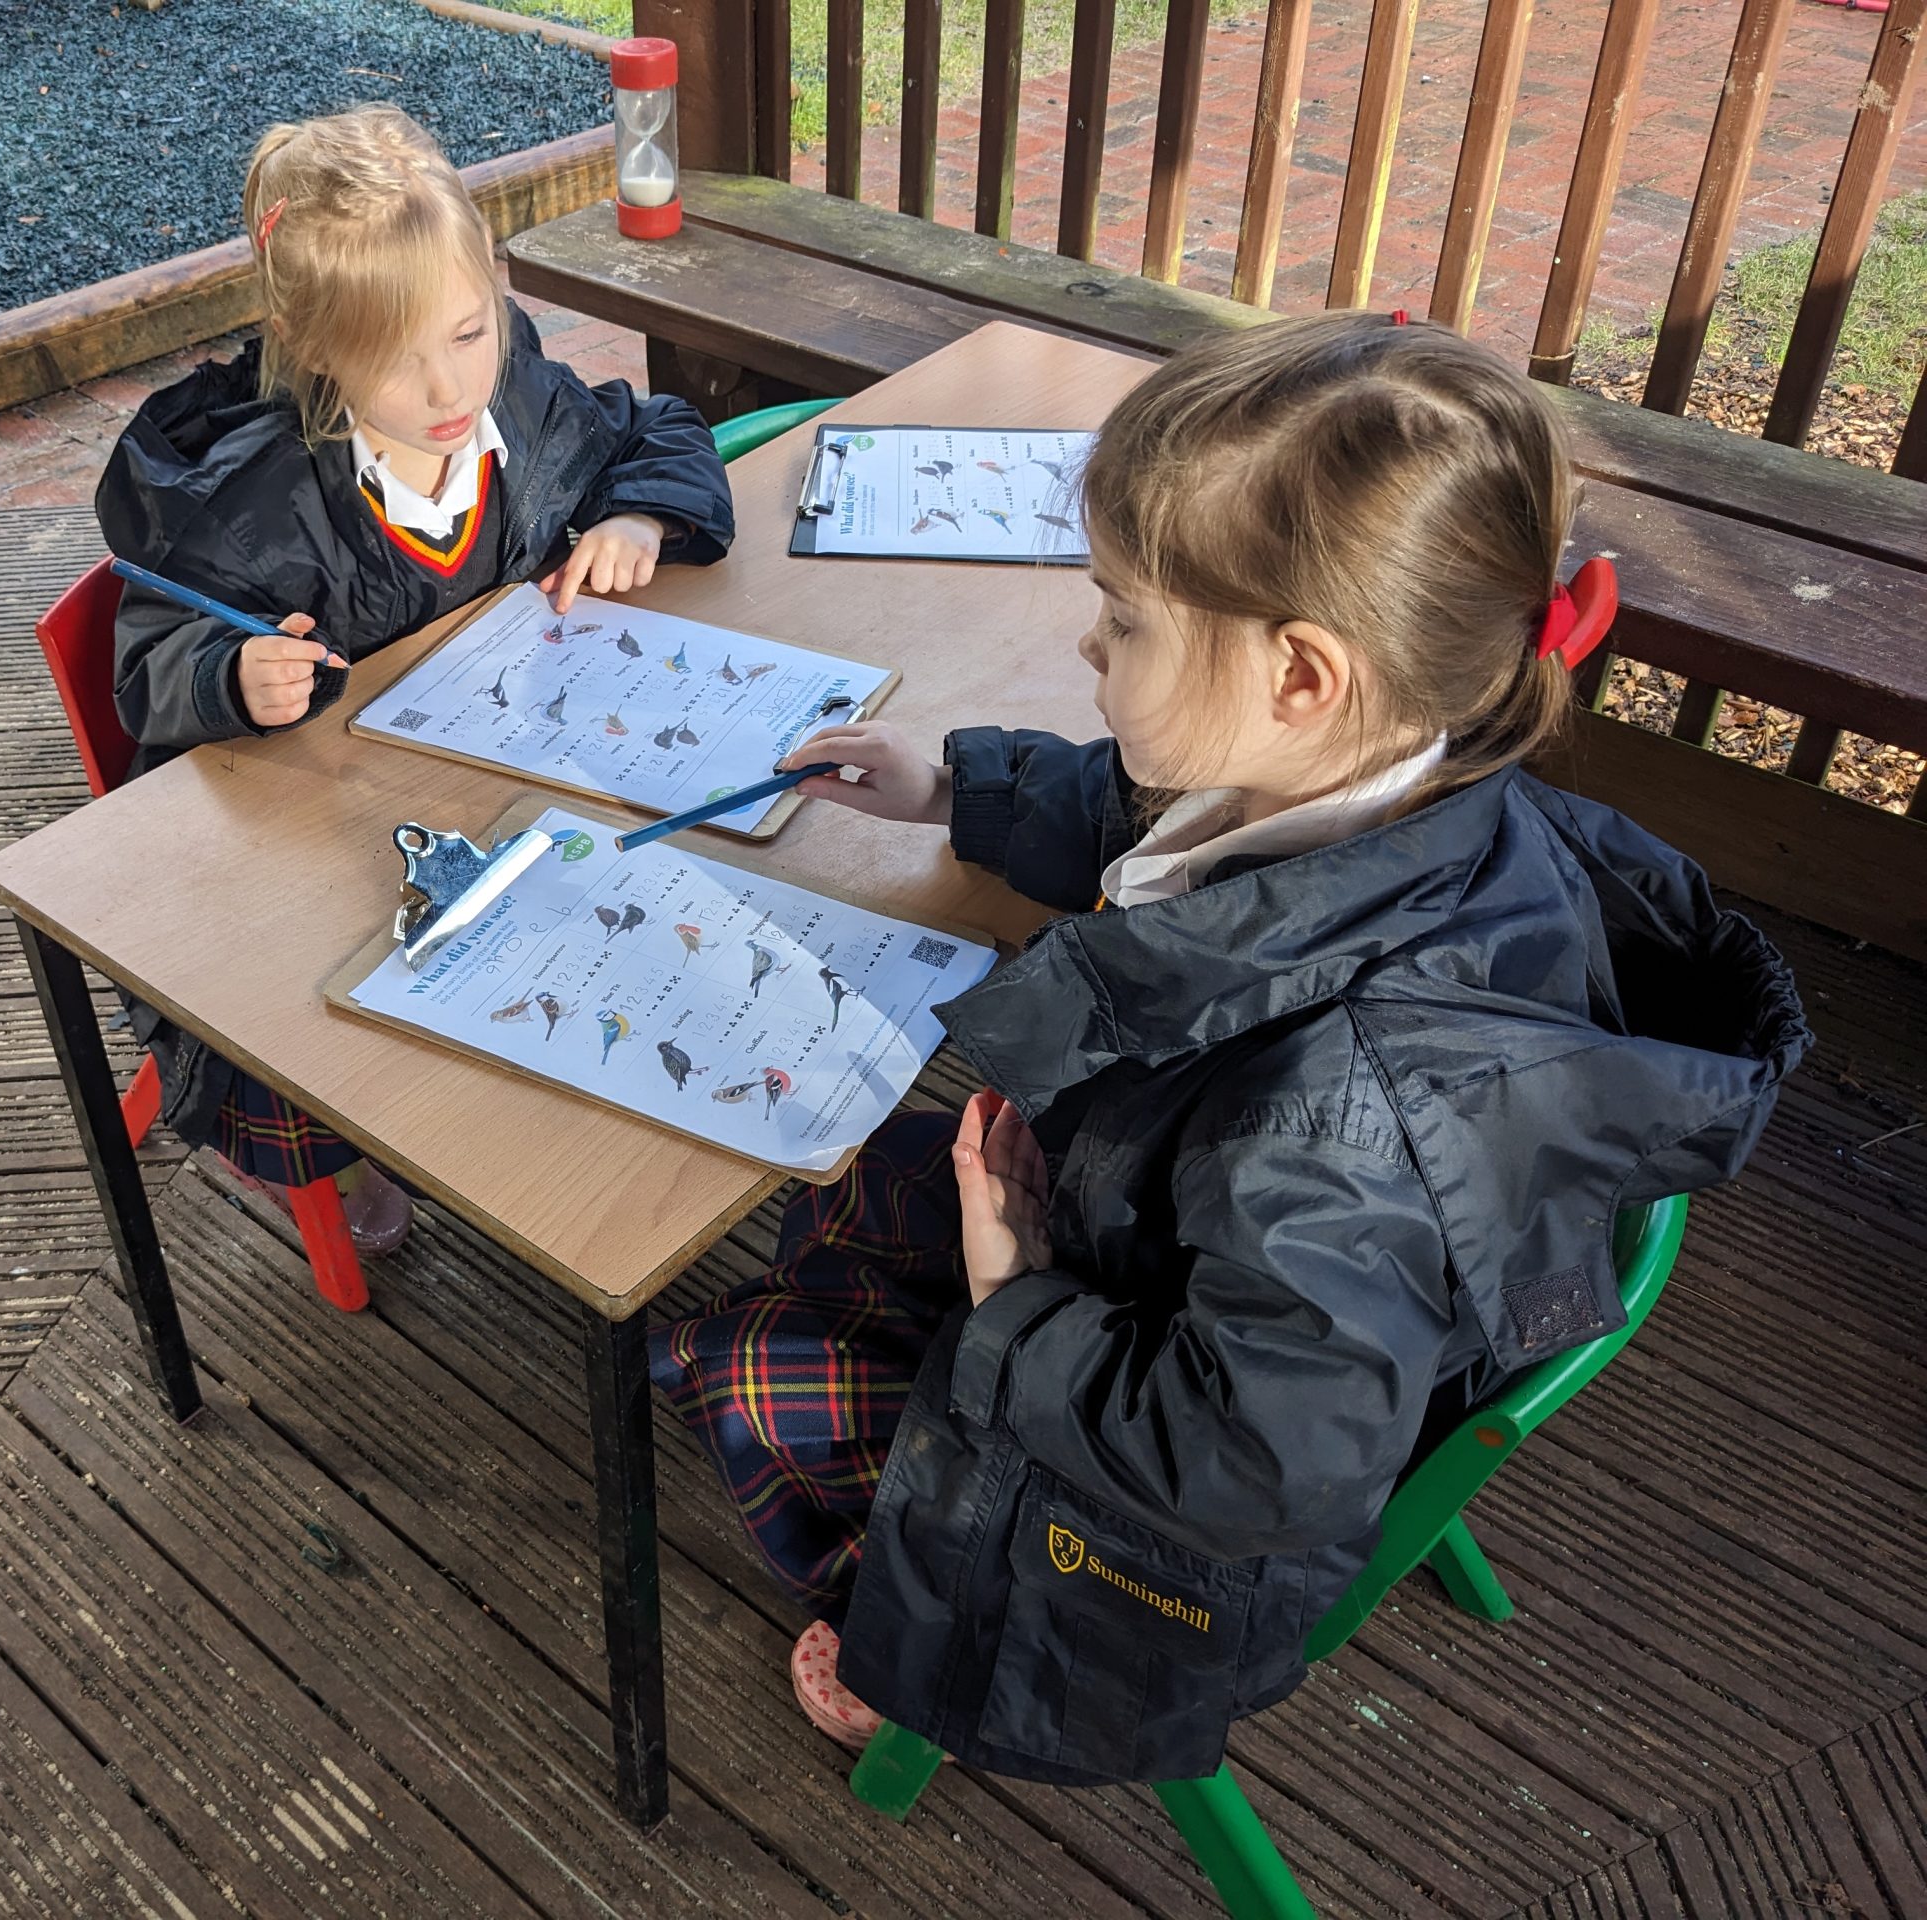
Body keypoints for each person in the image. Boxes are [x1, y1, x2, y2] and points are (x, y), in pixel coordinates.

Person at [657, 312, 1809, 1782]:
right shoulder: (1392, 786)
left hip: (1137, 1542)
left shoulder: (1338, 1129)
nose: (1089, 642)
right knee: (855, 1175)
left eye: (1124, 619)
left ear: (1302, 676)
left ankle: (891, 1620)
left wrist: (1015, 1303)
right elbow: (1154, 818)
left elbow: (1252, 1460)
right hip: (1170, 1258)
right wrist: (953, 788)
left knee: (765, 1371)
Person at [95, 106, 735, 1253]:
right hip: (305, 849)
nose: (451, 387)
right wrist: (231, 674)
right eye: (400, 358)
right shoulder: (249, 504)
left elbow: (656, 430)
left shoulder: (519, 399)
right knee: (324, 1027)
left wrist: (638, 514)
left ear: (494, 286)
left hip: (508, 790)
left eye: (470, 330)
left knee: (668, 889)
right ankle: (330, 1155)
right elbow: (146, 663)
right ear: (312, 347)